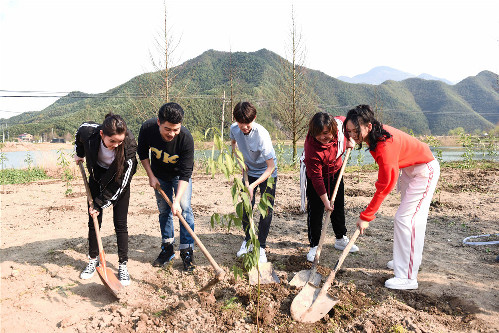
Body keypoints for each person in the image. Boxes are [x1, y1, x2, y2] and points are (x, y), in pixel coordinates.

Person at [344, 104, 440, 290]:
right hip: (410, 170)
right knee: (407, 220)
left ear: (368, 126)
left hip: (423, 171)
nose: (353, 136)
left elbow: (385, 185)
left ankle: (407, 277)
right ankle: (402, 262)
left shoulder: (384, 145)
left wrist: (366, 216)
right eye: (349, 132)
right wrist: (348, 138)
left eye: (355, 131)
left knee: (407, 220)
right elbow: (339, 119)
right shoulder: (376, 134)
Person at [74, 113, 138, 286]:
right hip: (96, 177)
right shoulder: (90, 132)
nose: (117, 145)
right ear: (102, 134)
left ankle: (122, 264)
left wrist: (101, 202)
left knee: (120, 223)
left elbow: (125, 178)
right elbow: (79, 132)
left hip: (119, 180)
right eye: (112, 141)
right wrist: (79, 153)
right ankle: (93, 259)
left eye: (120, 141)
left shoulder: (129, 145)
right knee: (93, 219)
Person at [137, 102, 196, 271]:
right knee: (164, 210)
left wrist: (176, 201)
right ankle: (168, 249)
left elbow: (186, 173)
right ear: (158, 123)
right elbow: (142, 153)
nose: (172, 134)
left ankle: (186, 251)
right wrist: (151, 176)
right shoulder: (147, 128)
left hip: (179, 176)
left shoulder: (186, 138)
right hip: (159, 175)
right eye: (167, 129)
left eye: (175, 129)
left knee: (184, 209)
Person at [302, 112, 358, 263]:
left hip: (336, 170)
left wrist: (350, 140)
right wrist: (326, 201)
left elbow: (350, 124)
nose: (322, 137)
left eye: (326, 133)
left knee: (338, 205)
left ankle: (340, 239)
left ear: (333, 129)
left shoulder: (341, 125)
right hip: (317, 176)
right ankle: (314, 245)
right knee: (316, 210)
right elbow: (317, 179)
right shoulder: (311, 149)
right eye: (318, 134)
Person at [230, 102, 277, 263]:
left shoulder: (261, 135)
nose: (244, 128)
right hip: (248, 170)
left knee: (265, 210)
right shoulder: (234, 129)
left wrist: (252, 185)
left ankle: (261, 247)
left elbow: (271, 167)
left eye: (247, 124)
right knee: (245, 207)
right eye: (241, 124)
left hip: (267, 173)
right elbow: (234, 145)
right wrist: (241, 164)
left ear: (254, 119)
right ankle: (249, 240)